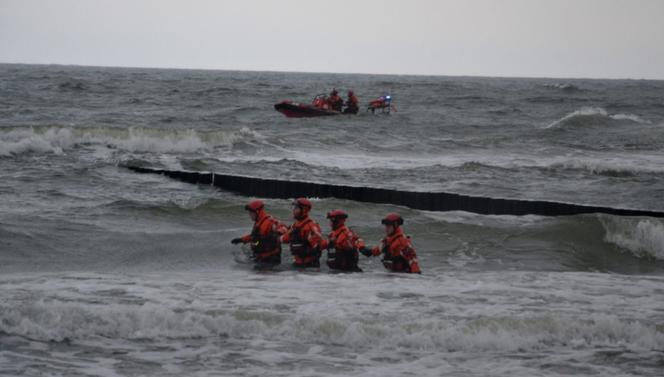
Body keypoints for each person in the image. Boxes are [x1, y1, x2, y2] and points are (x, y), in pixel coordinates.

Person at [231, 200, 287, 269]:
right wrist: (241, 239)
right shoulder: (258, 222)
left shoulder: (270, 221)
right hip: (260, 257)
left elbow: (284, 228)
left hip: (270, 259)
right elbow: (254, 237)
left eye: (251, 212)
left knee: (260, 277)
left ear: (257, 212)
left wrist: (276, 234)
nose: (249, 215)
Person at [280, 198, 327, 268]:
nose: (294, 210)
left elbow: (319, 246)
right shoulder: (295, 225)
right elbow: (285, 238)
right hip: (298, 264)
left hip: (309, 266)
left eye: (296, 208)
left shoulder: (310, 226)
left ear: (304, 210)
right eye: (294, 208)